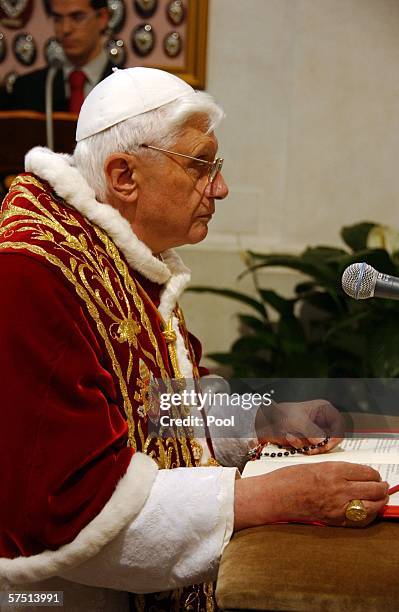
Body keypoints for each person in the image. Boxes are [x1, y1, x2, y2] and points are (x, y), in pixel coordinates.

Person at [0, 67, 389, 612]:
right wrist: (262, 497)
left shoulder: (117, 249)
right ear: (124, 175)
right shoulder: (31, 275)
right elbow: (69, 506)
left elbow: (154, 404)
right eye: (202, 164)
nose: (221, 188)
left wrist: (261, 419)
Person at [0, 0, 112, 113]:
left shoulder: (127, 87)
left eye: (77, 17)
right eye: (57, 18)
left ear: (102, 18)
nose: (65, 29)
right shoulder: (27, 89)